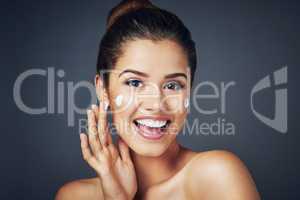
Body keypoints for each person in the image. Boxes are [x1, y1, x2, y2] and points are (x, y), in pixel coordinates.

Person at [55, 0, 261, 199]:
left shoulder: (217, 176)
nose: (156, 104)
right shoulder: (73, 196)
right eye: (134, 83)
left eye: (173, 85)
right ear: (103, 89)